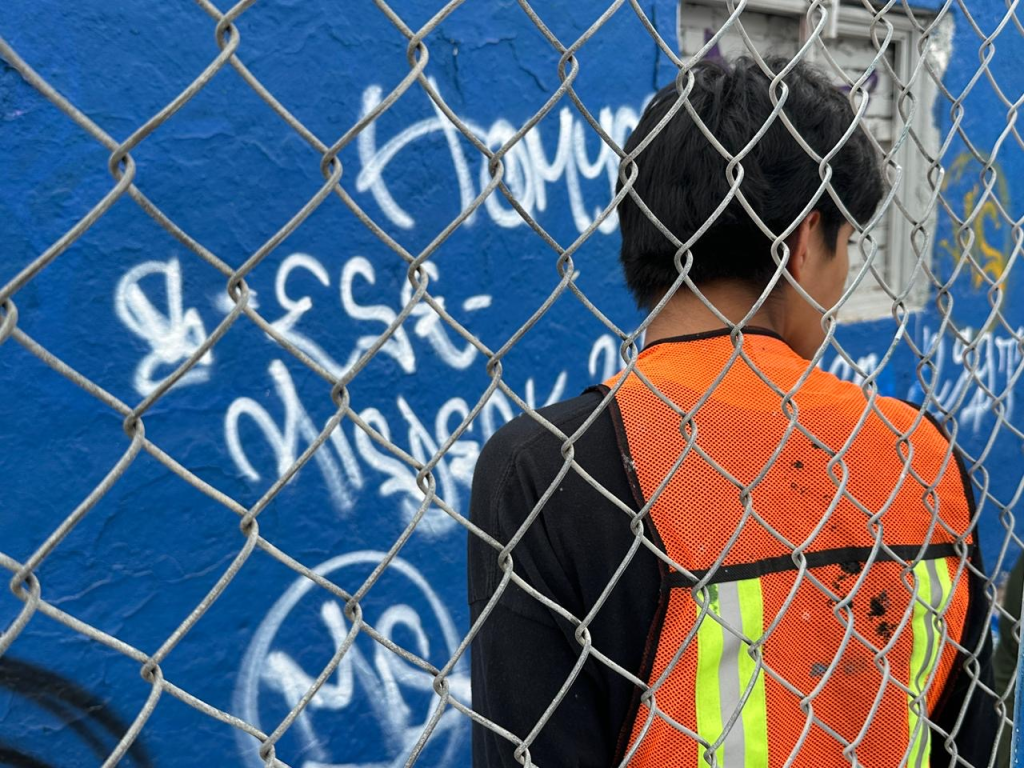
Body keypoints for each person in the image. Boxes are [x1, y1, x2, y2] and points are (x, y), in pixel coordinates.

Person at [467, 56, 996, 767]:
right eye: (848, 247)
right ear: (803, 243)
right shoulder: (920, 456)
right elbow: (972, 736)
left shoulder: (545, 472)